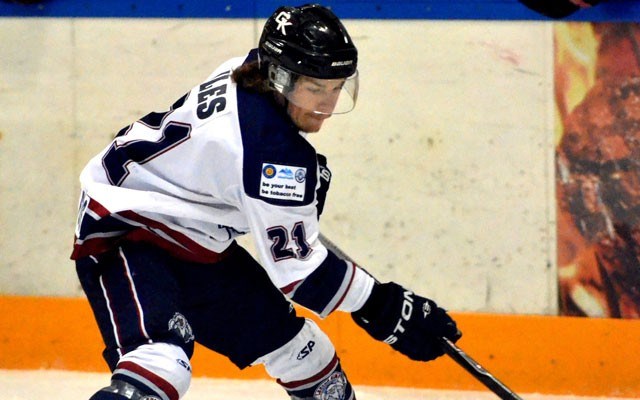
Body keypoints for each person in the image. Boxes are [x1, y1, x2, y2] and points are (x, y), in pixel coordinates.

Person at [71, 4, 461, 400]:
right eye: (314, 88)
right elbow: (302, 276)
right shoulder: (272, 153)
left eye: (337, 86)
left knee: (307, 354)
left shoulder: (250, 70)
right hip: (126, 229)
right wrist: (386, 307)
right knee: (161, 365)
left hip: (197, 239)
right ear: (281, 77)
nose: (326, 104)